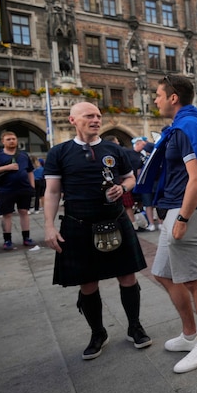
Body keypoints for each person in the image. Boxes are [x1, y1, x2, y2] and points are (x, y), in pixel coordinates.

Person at [43, 103, 151, 360]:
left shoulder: (115, 149)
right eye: (89, 116)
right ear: (72, 120)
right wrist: (48, 226)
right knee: (88, 282)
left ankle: (134, 326)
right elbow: (52, 191)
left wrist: (122, 188)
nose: (95, 120)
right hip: (78, 223)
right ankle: (98, 332)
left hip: (115, 219)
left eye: (98, 116)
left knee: (128, 277)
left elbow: (130, 178)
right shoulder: (59, 152)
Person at [138, 75, 197, 373]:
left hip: (189, 209)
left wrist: (184, 218)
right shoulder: (184, 124)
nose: (155, 99)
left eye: (158, 95)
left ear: (173, 97)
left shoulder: (189, 125)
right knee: (163, 273)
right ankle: (190, 334)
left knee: (192, 278)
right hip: (175, 206)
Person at [0, 131, 35, 250]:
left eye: (14, 138)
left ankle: (26, 237)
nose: (12, 141)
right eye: (8, 139)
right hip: (6, 189)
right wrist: (7, 167)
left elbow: (30, 171)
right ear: (3, 141)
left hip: (24, 188)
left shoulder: (23, 155)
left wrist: (32, 186)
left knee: (24, 212)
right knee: (7, 215)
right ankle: (7, 240)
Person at [132, 136, 159, 231]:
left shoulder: (142, 159)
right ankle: (161, 223)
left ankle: (151, 224)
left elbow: (139, 173)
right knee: (157, 204)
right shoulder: (157, 160)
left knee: (148, 205)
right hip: (156, 183)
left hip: (146, 185)